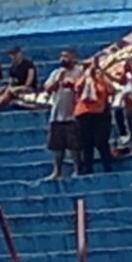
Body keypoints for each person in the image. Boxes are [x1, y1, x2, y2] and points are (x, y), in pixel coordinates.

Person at [43, 49, 84, 180]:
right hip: (56, 114)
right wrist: (58, 79)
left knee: (74, 146)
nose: (63, 58)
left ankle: (77, 170)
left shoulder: (80, 72)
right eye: (61, 56)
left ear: (73, 57)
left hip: (72, 114)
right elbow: (47, 89)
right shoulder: (56, 73)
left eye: (66, 56)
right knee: (57, 146)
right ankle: (57, 171)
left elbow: (82, 88)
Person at [74, 61, 114, 174]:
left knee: (101, 141)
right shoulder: (81, 80)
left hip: (101, 114)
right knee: (87, 142)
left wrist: (102, 75)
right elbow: (78, 88)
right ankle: (88, 167)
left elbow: (111, 90)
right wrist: (87, 75)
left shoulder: (102, 80)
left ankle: (107, 165)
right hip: (84, 113)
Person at [0, 46, 37, 112]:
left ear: (20, 53)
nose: (14, 56)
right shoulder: (13, 66)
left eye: (15, 54)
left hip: (29, 88)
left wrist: (16, 88)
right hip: (16, 87)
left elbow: (28, 83)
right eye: (12, 55)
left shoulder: (29, 65)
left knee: (9, 90)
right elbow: (11, 81)